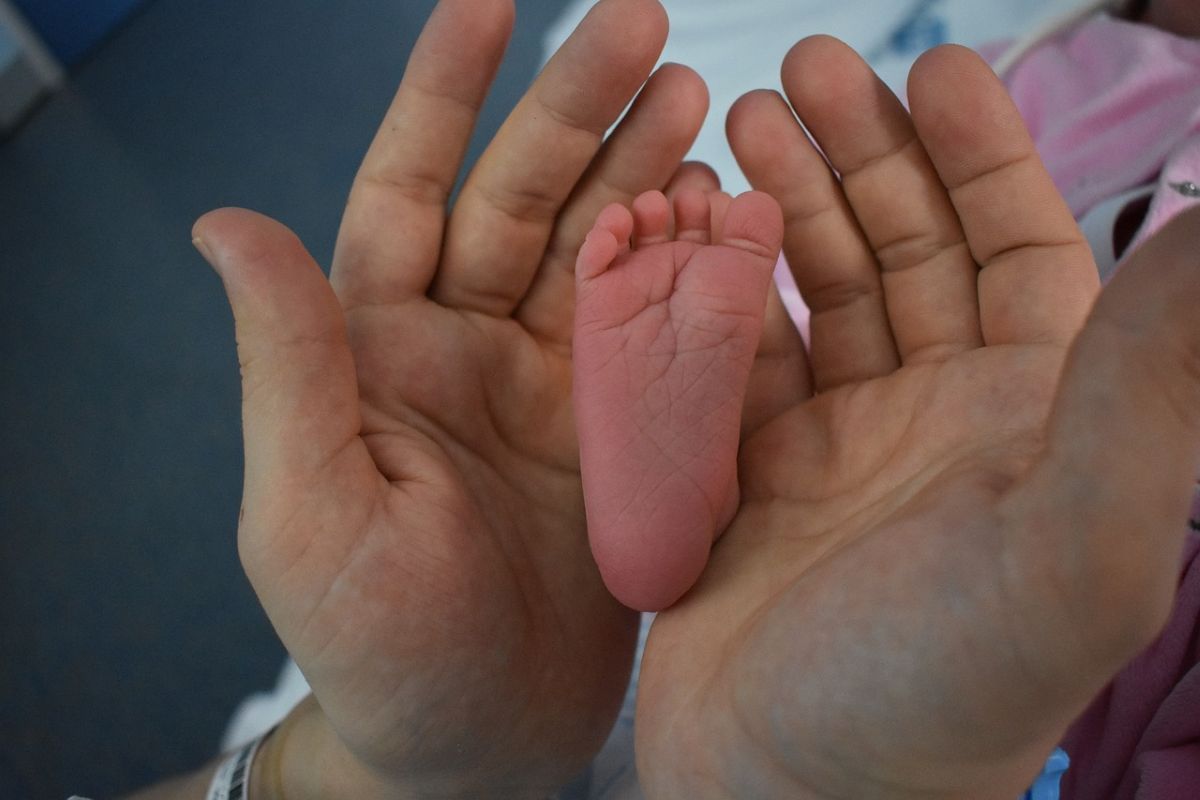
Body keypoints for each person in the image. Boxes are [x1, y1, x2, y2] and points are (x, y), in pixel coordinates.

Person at [116, 0, 1199, 797]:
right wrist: (383, 766)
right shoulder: (1074, 74)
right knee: (769, 264)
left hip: (875, 612)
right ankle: (670, 445)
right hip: (774, 479)